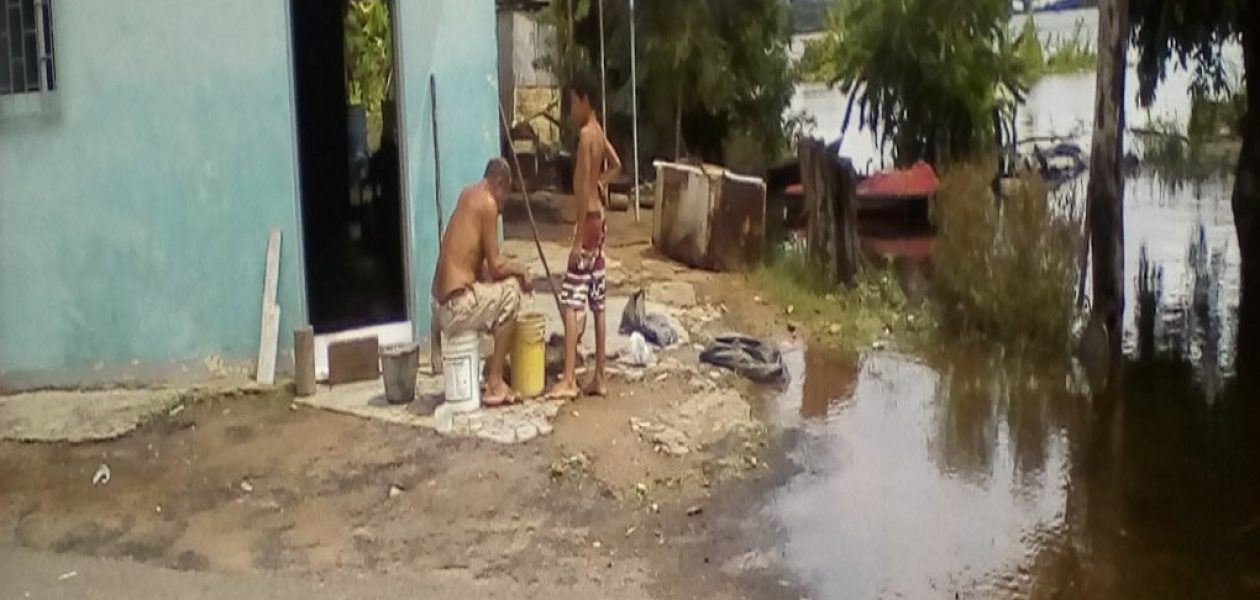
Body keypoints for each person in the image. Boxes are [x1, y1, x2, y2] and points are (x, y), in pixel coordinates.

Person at [432, 158, 532, 406]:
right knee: (511, 293)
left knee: (498, 289)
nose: (502, 207)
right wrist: (520, 270)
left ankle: (491, 370)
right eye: (505, 196)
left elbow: (481, 267)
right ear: (499, 184)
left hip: (439, 304)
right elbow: (497, 266)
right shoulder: (487, 203)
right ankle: (495, 383)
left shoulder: (468, 194)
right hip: (456, 307)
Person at [547, 72, 622, 400]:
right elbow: (617, 163)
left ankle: (569, 378)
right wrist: (603, 181)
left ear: (585, 101)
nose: (571, 109)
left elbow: (579, 191)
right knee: (598, 301)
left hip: (588, 222)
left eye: (573, 102)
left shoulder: (583, 138)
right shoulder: (599, 132)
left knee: (570, 300)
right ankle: (600, 376)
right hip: (601, 221)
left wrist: (577, 237)